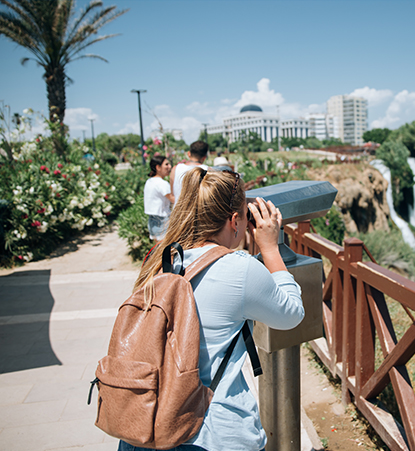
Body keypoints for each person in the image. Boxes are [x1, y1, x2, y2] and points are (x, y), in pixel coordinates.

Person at [122, 168, 305, 451]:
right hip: (210, 433)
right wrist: (270, 248)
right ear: (235, 221)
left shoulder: (160, 259)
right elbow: (291, 314)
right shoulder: (239, 269)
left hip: (145, 426)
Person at [143, 155, 174, 242]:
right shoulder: (162, 183)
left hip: (152, 220)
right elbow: (173, 199)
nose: (169, 167)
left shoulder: (149, 181)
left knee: (159, 250)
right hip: (162, 220)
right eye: (166, 164)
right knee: (166, 251)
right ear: (158, 167)